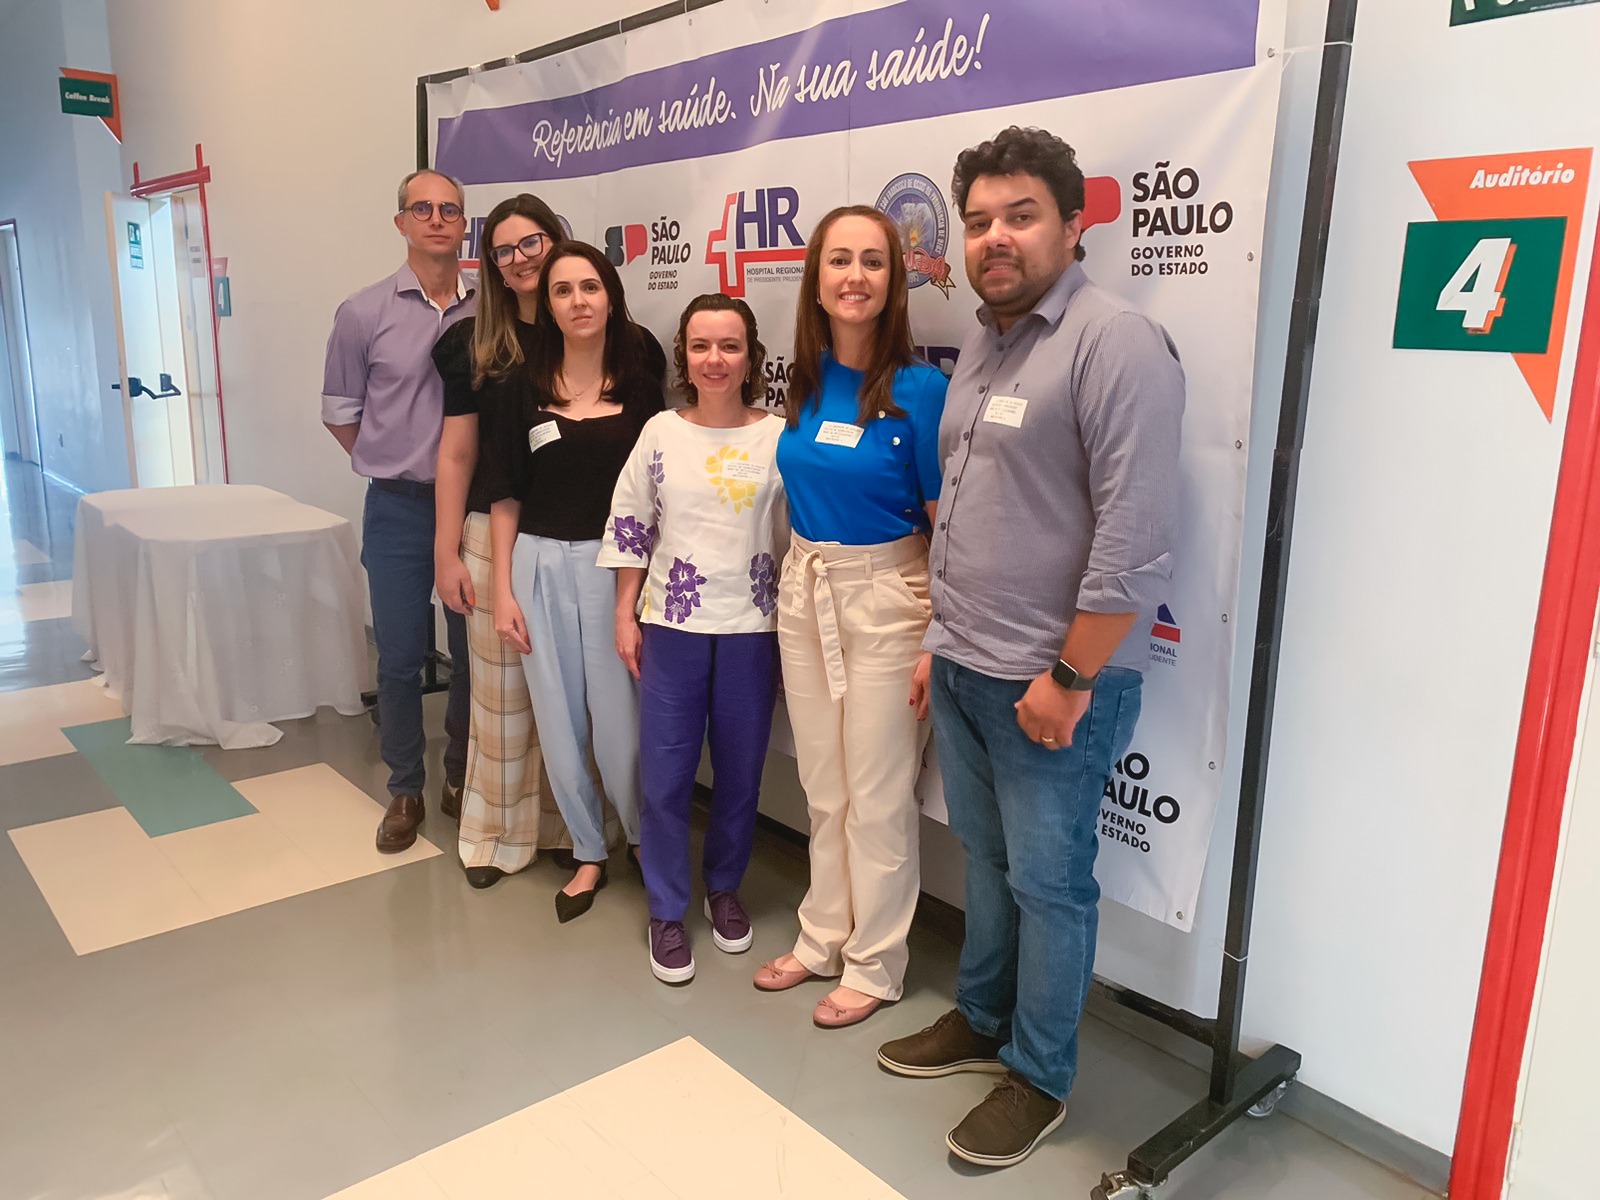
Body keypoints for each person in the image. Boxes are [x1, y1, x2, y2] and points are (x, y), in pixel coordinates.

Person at [874, 126, 1185, 1169]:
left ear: (1073, 224)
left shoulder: (1115, 343)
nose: (994, 238)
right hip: (966, 664)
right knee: (992, 861)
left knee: (1051, 888)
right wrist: (940, 640)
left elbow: (1134, 542)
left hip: (1052, 684)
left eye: (1020, 216)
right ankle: (980, 1018)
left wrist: (1070, 676)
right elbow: (972, 507)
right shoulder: (988, 342)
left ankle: (1040, 1076)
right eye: (978, 222)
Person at [754, 205, 948, 1028]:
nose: (855, 277)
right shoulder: (801, 382)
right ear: (816, 279)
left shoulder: (922, 392)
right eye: (840, 260)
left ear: (894, 280)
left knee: (877, 795)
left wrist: (939, 636)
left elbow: (946, 528)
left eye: (873, 261)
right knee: (823, 787)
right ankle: (822, 936)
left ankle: (874, 964)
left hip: (890, 599)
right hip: (806, 590)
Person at [600, 293, 788, 985]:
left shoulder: (780, 438)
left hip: (752, 628)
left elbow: (797, 535)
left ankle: (725, 887)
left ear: (751, 356)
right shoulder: (660, 433)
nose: (715, 359)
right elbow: (631, 524)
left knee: (740, 774)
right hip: (672, 626)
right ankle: (666, 909)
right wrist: (625, 613)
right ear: (684, 355)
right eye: (701, 346)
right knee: (667, 775)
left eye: (730, 346)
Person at [483, 241, 663, 921]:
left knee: (621, 724)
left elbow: (656, 491)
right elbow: (505, 493)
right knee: (558, 724)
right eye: (562, 290)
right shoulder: (521, 385)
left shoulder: (640, 381)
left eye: (590, 286)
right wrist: (503, 589)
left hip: (618, 570)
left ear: (611, 296)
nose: (578, 301)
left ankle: (642, 840)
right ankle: (588, 852)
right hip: (538, 564)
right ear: (548, 305)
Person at [322, 169, 473, 852]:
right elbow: (339, 412)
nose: (437, 219)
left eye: (450, 209)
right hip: (400, 509)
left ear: (464, 223)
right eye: (423, 209)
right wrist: (391, 456)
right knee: (402, 656)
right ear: (401, 222)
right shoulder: (363, 312)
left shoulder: (489, 310)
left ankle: (460, 776)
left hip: (473, 514)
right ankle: (406, 787)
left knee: (473, 657)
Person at [431, 193, 572, 888]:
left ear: (556, 241)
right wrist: (446, 551)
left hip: (577, 535)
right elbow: (457, 453)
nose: (519, 259)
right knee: (500, 702)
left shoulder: (597, 331)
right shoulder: (472, 345)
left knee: (570, 699)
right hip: (492, 536)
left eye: (531, 242)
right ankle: (495, 836)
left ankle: (573, 830)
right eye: (504, 249)